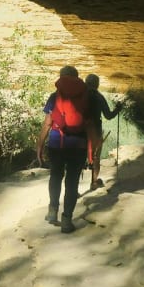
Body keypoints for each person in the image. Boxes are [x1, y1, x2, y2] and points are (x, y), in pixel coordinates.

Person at [36, 66, 99, 234]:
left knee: (55, 176)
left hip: (57, 144)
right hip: (78, 145)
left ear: (62, 78)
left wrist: (39, 146)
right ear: (77, 78)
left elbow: (48, 123)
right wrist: (93, 150)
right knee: (72, 182)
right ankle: (66, 221)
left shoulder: (54, 96)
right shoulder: (88, 97)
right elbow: (91, 126)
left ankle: (52, 212)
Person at [85, 74, 122, 190]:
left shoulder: (80, 95)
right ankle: (94, 181)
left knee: (79, 156)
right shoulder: (99, 97)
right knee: (96, 156)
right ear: (97, 84)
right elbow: (108, 116)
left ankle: (74, 187)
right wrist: (118, 109)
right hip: (95, 129)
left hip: (80, 129)